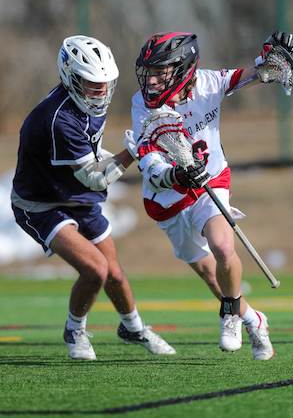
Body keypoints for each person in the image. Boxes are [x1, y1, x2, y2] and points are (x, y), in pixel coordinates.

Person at [130, 31, 293, 360]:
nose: (151, 79)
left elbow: (256, 73)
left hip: (211, 179)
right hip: (167, 197)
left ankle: (231, 317)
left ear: (183, 68)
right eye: (149, 70)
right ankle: (253, 318)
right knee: (212, 276)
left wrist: (272, 56)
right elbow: (149, 161)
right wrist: (174, 174)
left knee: (223, 246)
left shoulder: (209, 83)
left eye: (160, 70)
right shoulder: (142, 104)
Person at [11, 35, 175, 360]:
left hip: (76, 196)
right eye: (91, 83)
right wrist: (134, 151)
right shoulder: (59, 119)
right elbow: (94, 176)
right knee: (96, 270)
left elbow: (92, 157)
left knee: (114, 272)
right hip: (42, 204)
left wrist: (144, 154)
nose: (100, 91)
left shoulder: (85, 104)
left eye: (104, 83)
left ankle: (133, 327)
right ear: (71, 77)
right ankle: (74, 330)